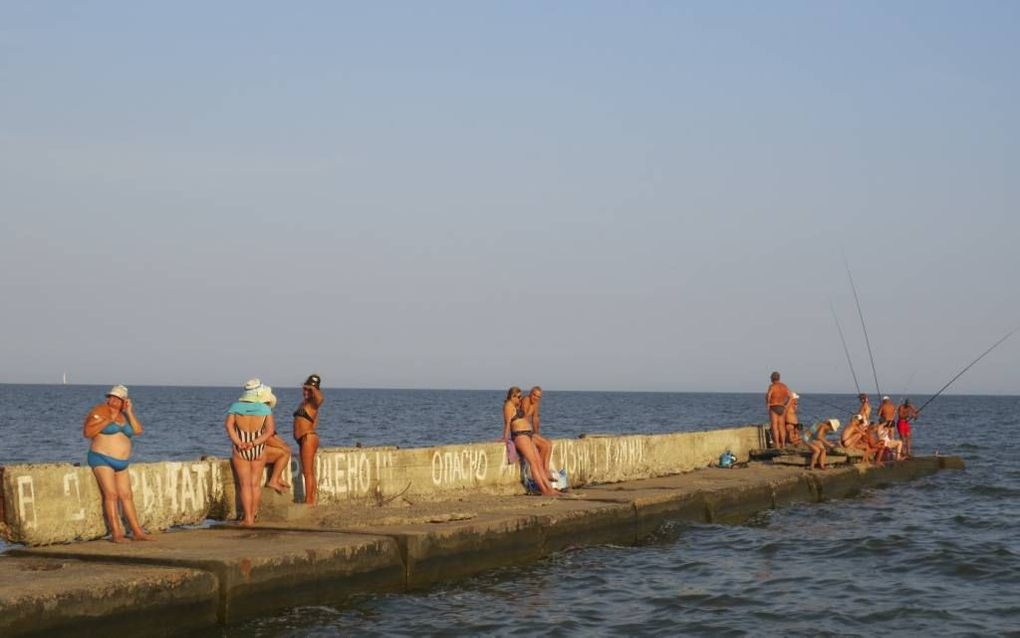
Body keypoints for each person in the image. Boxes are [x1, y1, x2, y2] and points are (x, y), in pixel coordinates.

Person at [82, 385, 154, 543]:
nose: (113, 400)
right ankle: (116, 533)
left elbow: (138, 430)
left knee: (127, 495)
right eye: (111, 397)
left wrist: (129, 412)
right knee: (111, 495)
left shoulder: (125, 416)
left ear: (124, 402)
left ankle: (137, 532)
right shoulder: (100, 410)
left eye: (118, 399)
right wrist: (107, 421)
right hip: (101, 458)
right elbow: (87, 432)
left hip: (122, 463)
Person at [226, 379, 277, 526]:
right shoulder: (265, 409)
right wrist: (254, 443)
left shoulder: (235, 407)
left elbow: (229, 426)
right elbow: (270, 431)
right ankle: (253, 517)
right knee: (255, 485)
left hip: (240, 447)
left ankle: (247, 518)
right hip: (258, 447)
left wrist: (239, 442)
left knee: (245, 485)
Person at [502, 386, 558, 496]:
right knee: (533, 463)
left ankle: (550, 489)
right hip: (520, 435)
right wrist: (505, 438)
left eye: (521, 396)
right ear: (512, 396)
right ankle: (544, 490)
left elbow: (535, 418)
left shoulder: (515, 405)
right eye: (518, 396)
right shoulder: (508, 405)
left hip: (527, 434)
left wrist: (535, 432)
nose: (520, 399)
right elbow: (507, 423)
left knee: (537, 462)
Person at [293, 374, 324, 505]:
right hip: (303, 439)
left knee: (308, 472)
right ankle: (311, 500)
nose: (305, 391)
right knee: (308, 471)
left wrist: (312, 387)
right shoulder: (304, 403)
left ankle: (309, 502)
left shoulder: (313, 403)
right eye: (304, 389)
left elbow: (321, 398)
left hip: (308, 438)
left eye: (309, 390)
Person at [257, 386, 291, 494]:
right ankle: (274, 480)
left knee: (285, 449)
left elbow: (272, 434)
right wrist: (282, 446)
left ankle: (277, 478)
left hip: (257, 446)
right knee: (284, 452)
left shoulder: (259, 413)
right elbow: (265, 436)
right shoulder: (261, 414)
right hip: (258, 449)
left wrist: (282, 443)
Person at [520, 386, 553, 480]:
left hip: (527, 432)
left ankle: (545, 470)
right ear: (530, 393)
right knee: (545, 445)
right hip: (521, 433)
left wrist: (537, 434)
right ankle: (542, 471)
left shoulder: (536, 404)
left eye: (538, 397)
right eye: (534, 395)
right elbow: (524, 418)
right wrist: (531, 436)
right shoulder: (526, 400)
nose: (535, 398)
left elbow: (535, 419)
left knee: (548, 443)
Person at [766, 371, 792, 448]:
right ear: (779, 378)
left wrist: (768, 403)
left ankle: (777, 444)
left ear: (772, 378)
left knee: (774, 426)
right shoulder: (784, 386)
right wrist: (786, 406)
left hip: (773, 406)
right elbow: (790, 397)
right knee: (781, 426)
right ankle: (783, 444)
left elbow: (769, 395)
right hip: (782, 407)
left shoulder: (772, 386)